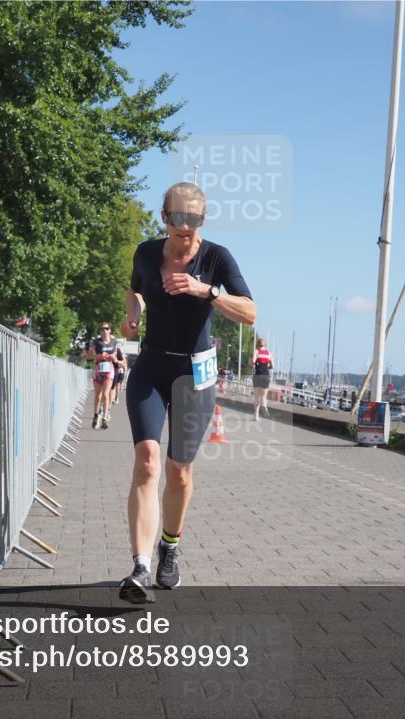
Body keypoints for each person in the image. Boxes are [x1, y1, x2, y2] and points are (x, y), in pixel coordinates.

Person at [118, 182, 255, 603]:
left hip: (195, 374)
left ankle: (169, 546)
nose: (186, 227)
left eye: (195, 219)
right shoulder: (146, 252)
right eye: (178, 218)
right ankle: (140, 568)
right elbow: (135, 288)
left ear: (203, 220)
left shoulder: (217, 257)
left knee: (179, 472)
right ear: (165, 218)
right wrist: (132, 313)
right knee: (147, 460)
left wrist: (208, 291)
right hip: (152, 366)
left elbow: (249, 312)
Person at [86, 322, 119, 429]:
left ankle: (105, 418)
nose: (104, 331)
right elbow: (89, 356)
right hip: (98, 369)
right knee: (98, 395)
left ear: (110, 330)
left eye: (106, 328)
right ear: (100, 331)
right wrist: (99, 356)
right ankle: (96, 415)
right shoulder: (96, 342)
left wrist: (112, 357)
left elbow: (115, 354)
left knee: (105, 394)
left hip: (109, 369)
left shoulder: (114, 342)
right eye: (102, 329)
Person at [251, 338, 273, 420]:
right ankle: (264, 404)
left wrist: (251, 362)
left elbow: (253, 361)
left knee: (256, 396)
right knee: (264, 396)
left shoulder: (256, 351)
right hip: (265, 375)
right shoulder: (269, 353)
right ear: (265, 345)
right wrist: (267, 366)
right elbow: (272, 366)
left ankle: (256, 415)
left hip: (257, 375)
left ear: (258, 344)